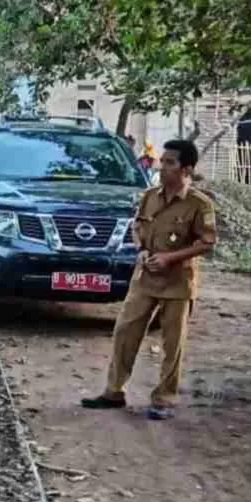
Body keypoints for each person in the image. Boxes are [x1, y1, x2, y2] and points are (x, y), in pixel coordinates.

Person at [82, 139, 216, 420]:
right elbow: (137, 226)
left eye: (170, 162)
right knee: (125, 332)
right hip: (144, 278)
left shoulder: (199, 204)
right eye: (162, 161)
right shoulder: (150, 196)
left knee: (172, 344)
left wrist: (171, 258)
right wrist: (142, 250)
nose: (162, 166)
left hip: (177, 283)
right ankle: (113, 391)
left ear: (187, 169)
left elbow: (207, 242)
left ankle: (164, 400)